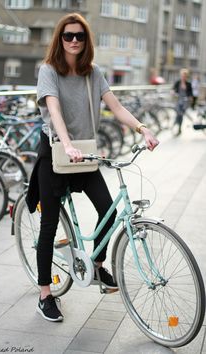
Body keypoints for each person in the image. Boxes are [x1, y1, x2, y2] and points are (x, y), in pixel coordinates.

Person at [26, 13, 159, 322]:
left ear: (86, 40)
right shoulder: (48, 71)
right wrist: (66, 141)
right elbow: (54, 109)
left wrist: (143, 129)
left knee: (109, 211)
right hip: (57, 156)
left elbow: (116, 106)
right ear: (59, 39)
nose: (74, 40)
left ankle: (97, 265)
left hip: (85, 155)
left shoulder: (93, 73)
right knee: (48, 228)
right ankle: (45, 294)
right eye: (68, 36)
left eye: (80, 36)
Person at [173, 68, 193, 136]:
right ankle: (177, 126)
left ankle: (178, 127)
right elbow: (173, 89)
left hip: (185, 102)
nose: (183, 77)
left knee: (181, 115)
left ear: (186, 76)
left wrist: (190, 97)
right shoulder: (178, 82)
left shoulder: (188, 84)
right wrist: (173, 92)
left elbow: (190, 93)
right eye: (182, 75)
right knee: (178, 113)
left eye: (184, 76)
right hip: (178, 100)